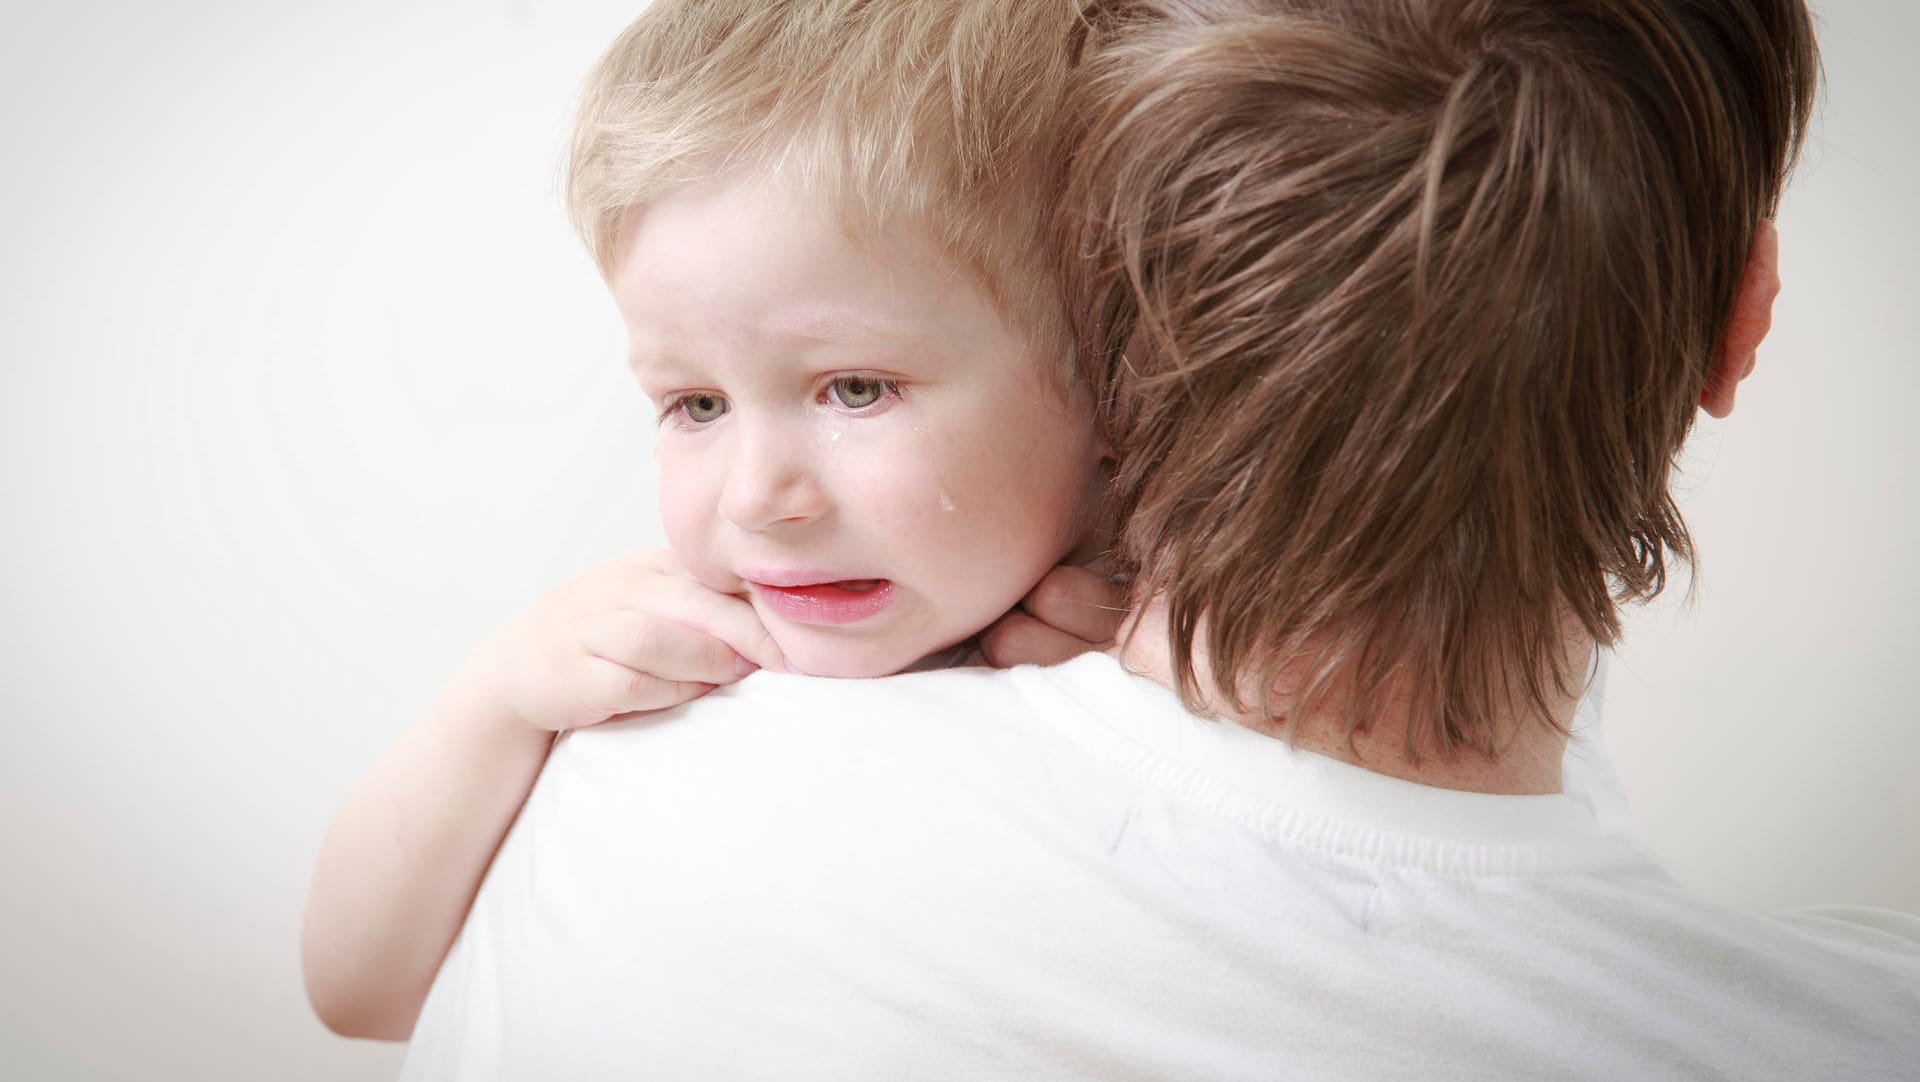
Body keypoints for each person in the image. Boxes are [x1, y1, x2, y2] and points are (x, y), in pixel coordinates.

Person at [394, 0, 1920, 1078]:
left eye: (857, 387)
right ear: (1742, 317)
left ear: (1110, 358)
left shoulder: (640, 809)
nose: (762, 495)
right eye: (691, 402)